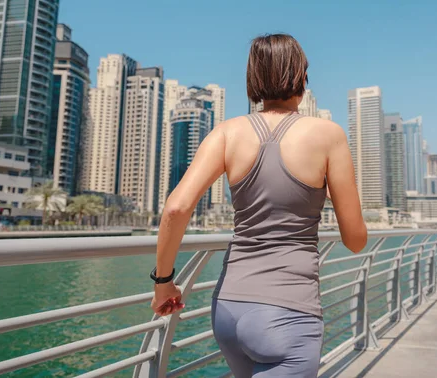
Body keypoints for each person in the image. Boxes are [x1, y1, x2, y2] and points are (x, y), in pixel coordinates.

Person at [150, 33, 367, 377]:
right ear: (301, 76)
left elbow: (176, 209)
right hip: (288, 315)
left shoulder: (226, 132)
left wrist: (163, 283)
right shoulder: (328, 135)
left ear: (253, 78)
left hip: (228, 312)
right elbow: (355, 241)